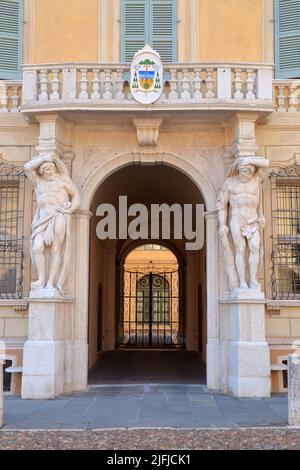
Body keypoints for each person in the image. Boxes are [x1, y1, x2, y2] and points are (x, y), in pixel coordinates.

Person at [24, 154, 80, 293]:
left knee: (56, 249)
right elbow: (27, 167)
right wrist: (45, 158)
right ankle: (42, 279)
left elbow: (76, 195)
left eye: (51, 166)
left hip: (58, 215)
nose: (48, 169)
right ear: (41, 170)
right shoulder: (38, 181)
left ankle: (51, 282)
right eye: (45, 167)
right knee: (37, 248)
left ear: (55, 168)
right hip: (42, 220)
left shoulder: (62, 181)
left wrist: (70, 208)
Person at [217, 157, 269, 290]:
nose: (244, 173)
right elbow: (222, 205)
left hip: (253, 219)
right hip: (237, 218)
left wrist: (247, 159)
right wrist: (223, 224)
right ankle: (242, 282)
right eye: (241, 170)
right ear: (238, 169)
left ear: (252, 170)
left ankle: (252, 280)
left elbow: (265, 164)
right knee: (240, 249)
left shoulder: (257, 180)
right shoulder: (230, 183)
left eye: (246, 170)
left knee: (255, 247)